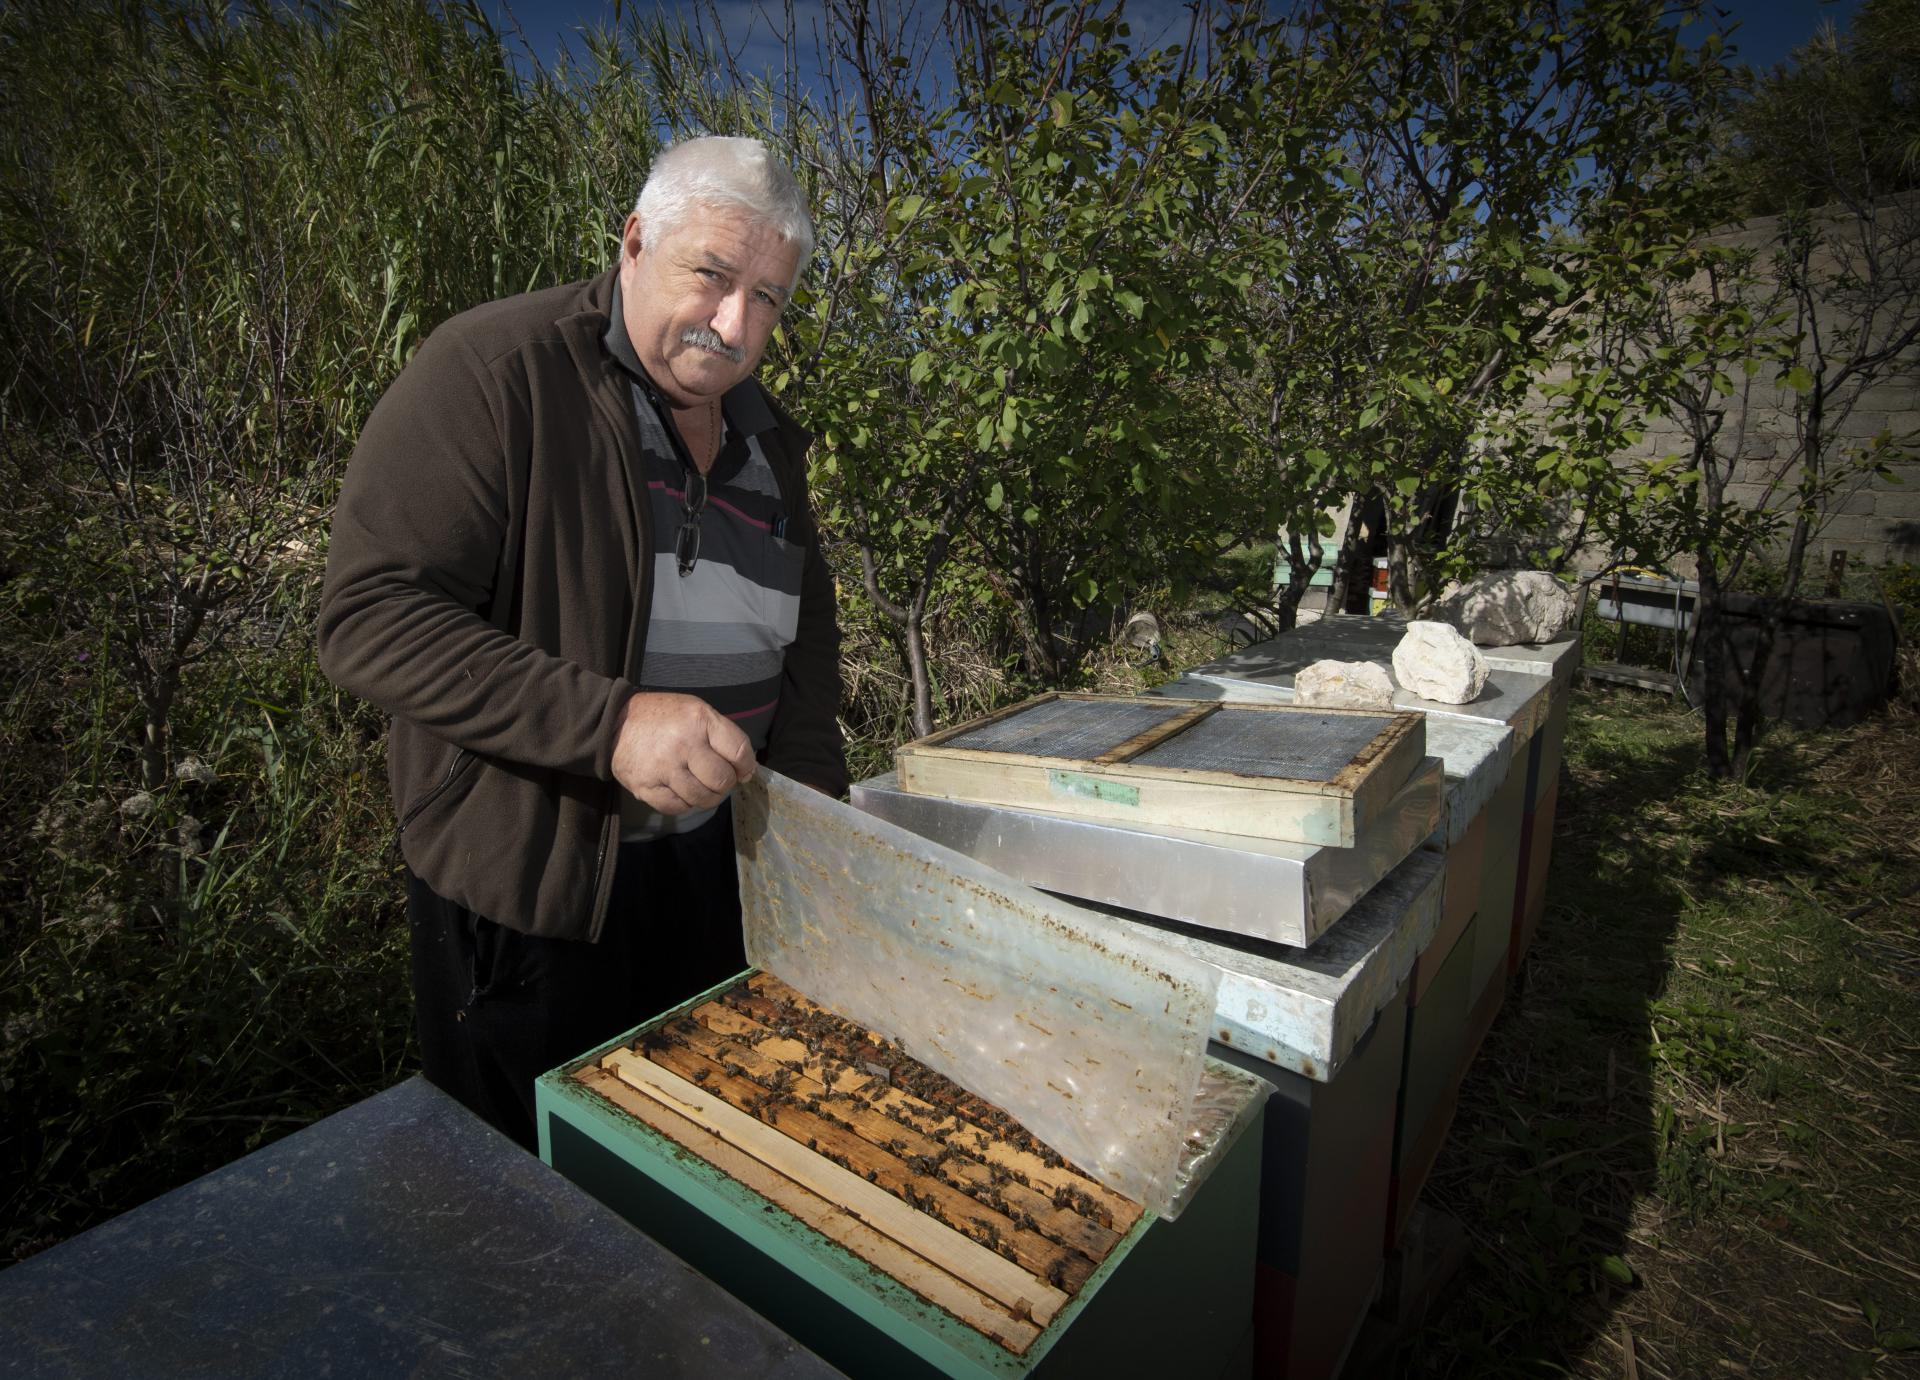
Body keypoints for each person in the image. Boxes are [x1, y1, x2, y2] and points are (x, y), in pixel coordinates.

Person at [317, 136, 847, 1150]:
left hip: (721, 885)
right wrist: (609, 726)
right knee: (530, 1206)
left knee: (693, 1175)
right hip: (541, 896)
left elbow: (803, 630)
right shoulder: (494, 372)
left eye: (770, 298)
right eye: (714, 276)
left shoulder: (768, 436)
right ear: (636, 241)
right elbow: (370, 615)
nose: (737, 325)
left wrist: (810, 798)